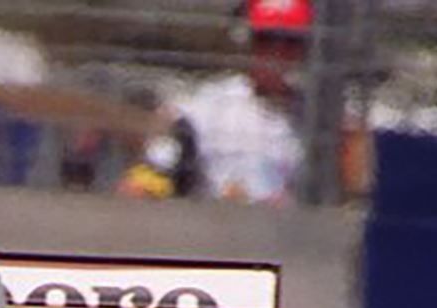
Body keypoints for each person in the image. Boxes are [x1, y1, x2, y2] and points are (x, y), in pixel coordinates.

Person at [121, 0, 311, 205]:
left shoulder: (319, 118)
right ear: (246, 42)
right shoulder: (208, 106)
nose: (277, 53)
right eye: (266, 40)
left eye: (290, 42)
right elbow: (146, 178)